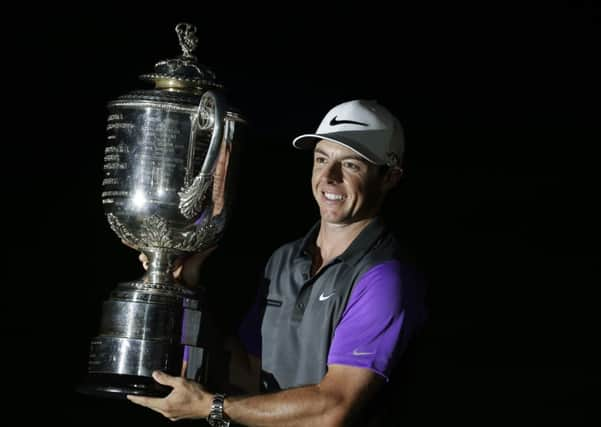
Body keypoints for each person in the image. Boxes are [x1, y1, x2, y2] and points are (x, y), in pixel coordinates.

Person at [127, 99, 426, 426]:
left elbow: (334, 408)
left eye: (351, 164)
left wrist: (211, 406)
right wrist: (186, 289)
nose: (329, 177)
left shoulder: (384, 277)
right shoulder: (284, 260)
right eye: (321, 159)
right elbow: (249, 374)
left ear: (389, 177)